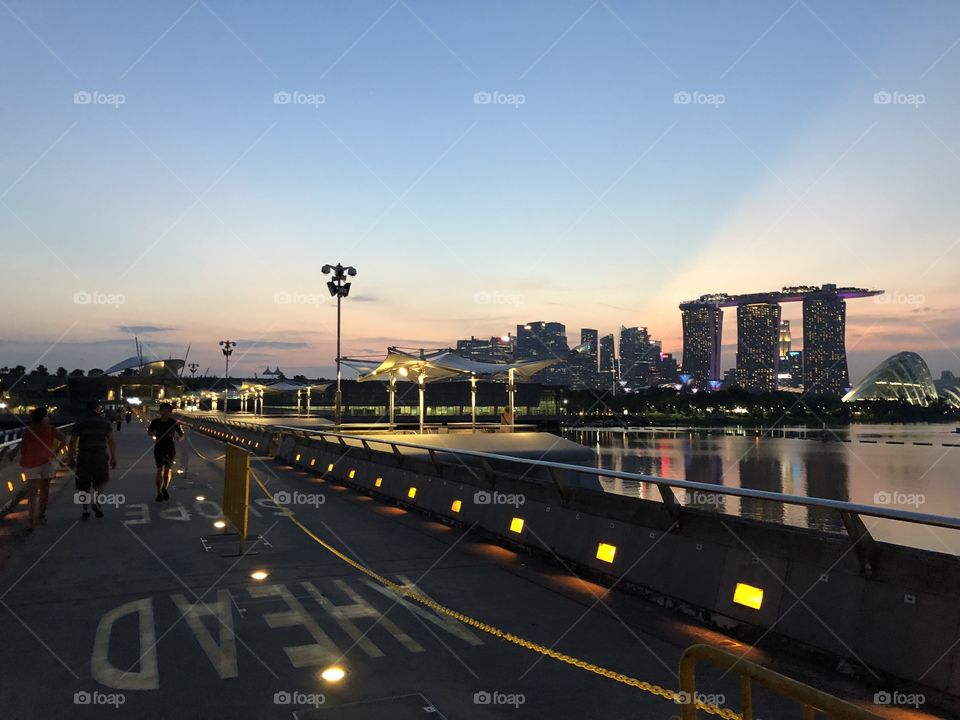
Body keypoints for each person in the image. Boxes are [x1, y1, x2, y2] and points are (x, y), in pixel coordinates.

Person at [67, 399, 118, 519]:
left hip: (84, 455)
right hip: (100, 455)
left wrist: (71, 458)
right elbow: (111, 441)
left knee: (83, 484)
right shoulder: (105, 422)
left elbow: (72, 441)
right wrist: (113, 457)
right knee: (102, 480)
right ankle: (97, 500)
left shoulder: (80, 422)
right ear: (98, 408)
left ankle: (85, 510)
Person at [19, 407, 66, 530]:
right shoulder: (51, 429)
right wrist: (55, 452)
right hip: (47, 463)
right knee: (44, 490)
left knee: (32, 493)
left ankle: (30, 520)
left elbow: (23, 449)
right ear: (44, 417)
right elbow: (64, 440)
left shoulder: (27, 431)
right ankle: (41, 515)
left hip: (31, 463)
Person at [148, 403, 183, 502]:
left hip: (170, 449)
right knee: (159, 469)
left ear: (170, 412)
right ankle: (158, 492)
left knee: (167, 470)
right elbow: (149, 432)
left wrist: (177, 437)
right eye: (163, 410)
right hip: (159, 448)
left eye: (167, 411)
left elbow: (181, 435)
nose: (165, 413)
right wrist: (155, 433)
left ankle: (165, 488)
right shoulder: (155, 422)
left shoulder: (173, 422)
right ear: (160, 411)